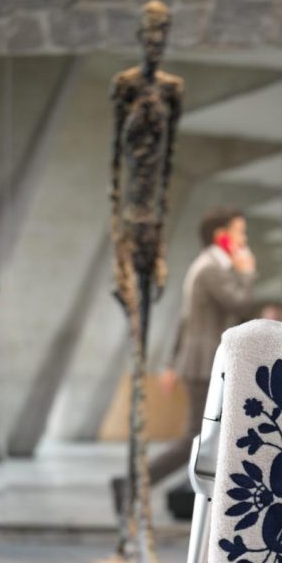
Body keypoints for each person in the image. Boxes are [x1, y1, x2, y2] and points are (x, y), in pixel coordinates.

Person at [111, 206, 256, 513]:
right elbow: (239, 302)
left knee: (210, 435)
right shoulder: (212, 269)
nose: (244, 239)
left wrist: (171, 364)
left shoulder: (208, 265)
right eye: (240, 232)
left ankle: (138, 485)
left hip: (201, 362)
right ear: (221, 236)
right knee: (198, 435)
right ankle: (133, 484)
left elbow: (184, 320)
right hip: (204, 364)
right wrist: (246, 272)